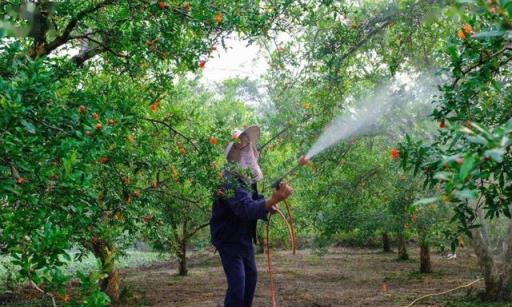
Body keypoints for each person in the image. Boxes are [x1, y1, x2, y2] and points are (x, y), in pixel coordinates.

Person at [210, 125, 292, 307]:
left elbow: (254, 200)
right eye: (242, 145)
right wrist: (271, 201)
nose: (248, 149)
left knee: (250, 281)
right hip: (229, 240)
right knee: (238, 289)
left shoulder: (247, 179)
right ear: (232, 156)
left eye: (248, 143)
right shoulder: (228, 180)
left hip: (244, 238)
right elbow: (244, 209)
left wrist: (269, 205)